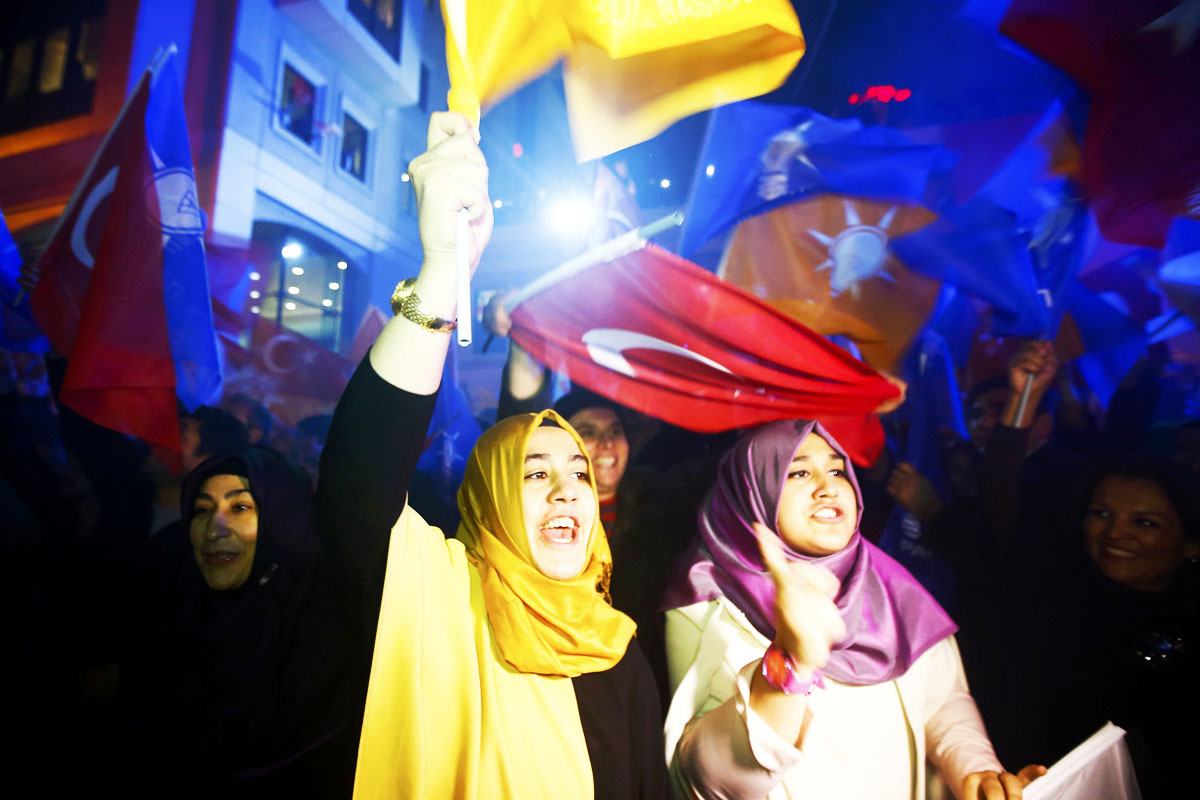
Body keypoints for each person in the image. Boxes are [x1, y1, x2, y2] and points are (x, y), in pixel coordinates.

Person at [315, 111, 667, 798]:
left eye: (578, 474)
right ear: (493, 500)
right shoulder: (437, 595)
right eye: (535, 473)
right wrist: (443, 274)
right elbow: (357, 481)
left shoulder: (617, 650)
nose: (569, 489)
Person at [662, 419, 1042, 800]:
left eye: (837, 469)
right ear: (753, 494)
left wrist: (976, 769)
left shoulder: (887, 582)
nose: (828, 488)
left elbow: (943, 700)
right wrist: (788, 663)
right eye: (798, 472)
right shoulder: (703, 600)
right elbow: (700, 778)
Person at [104, 445, 358, 795]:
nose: (213, 530)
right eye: (202, 510)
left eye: (240, 507)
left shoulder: (321, 629)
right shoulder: (172, 609)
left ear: (282, 518)